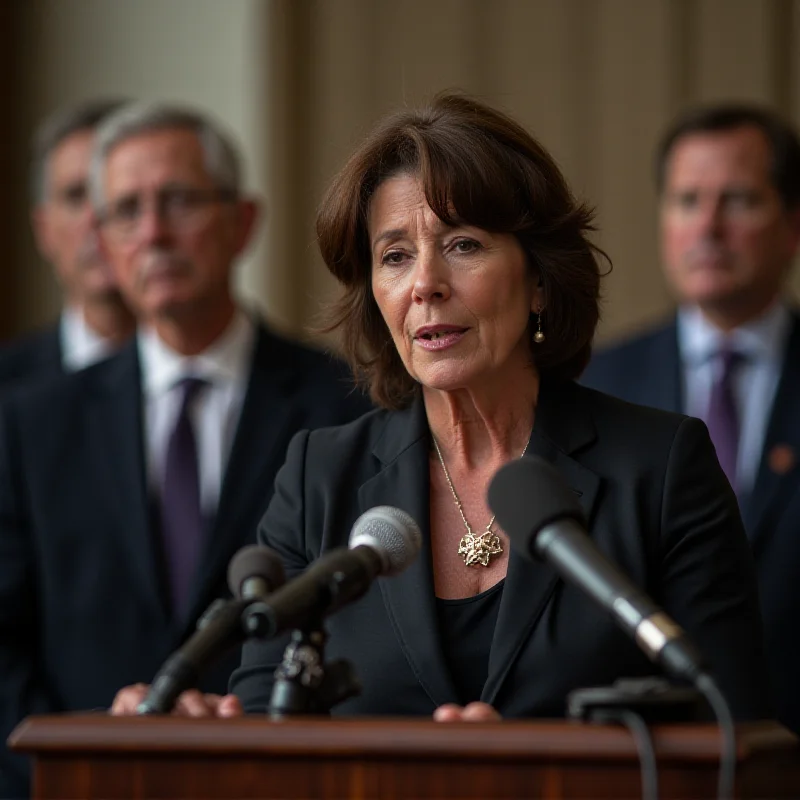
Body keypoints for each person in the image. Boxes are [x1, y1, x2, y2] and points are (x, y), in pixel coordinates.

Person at [112, 93, 771, 726]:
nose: (425, 283)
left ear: (539, 279)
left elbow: (727, 728)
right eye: (394, 256)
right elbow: (263, 726)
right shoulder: (320, 477)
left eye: (463, 244)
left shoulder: (659, 470)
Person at [0, 103, 371, 798]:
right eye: (126, 211)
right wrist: (72, 770)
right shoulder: (29, 425)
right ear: (105, 246)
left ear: (243, 223)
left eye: (178, 201)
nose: (154, 232)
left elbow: (366, 622)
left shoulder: (346, 405)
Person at [581, 104, 800, 734]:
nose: (708, 226)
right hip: (641, 751)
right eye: (686, 201)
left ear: (791, 225)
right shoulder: (596, 380)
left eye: (737, 201)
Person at [0, 100, 136, 386]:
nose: (96, 217)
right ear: (43, 230)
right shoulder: (8, 386)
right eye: (76, 195)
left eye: (117, 195)